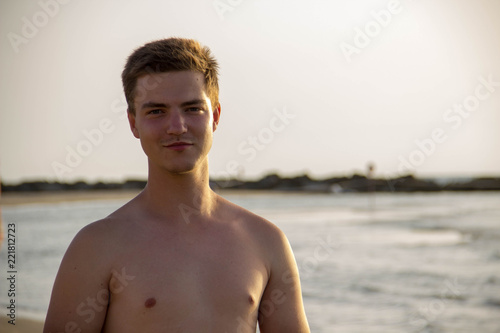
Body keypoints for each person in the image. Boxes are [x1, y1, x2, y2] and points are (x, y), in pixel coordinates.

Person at [44, 38, 310, 333]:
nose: (177, 127)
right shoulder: (96, 246)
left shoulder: (266, 241)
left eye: (193, 108)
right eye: (156, 111)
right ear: (133, 123)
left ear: (216, 117)